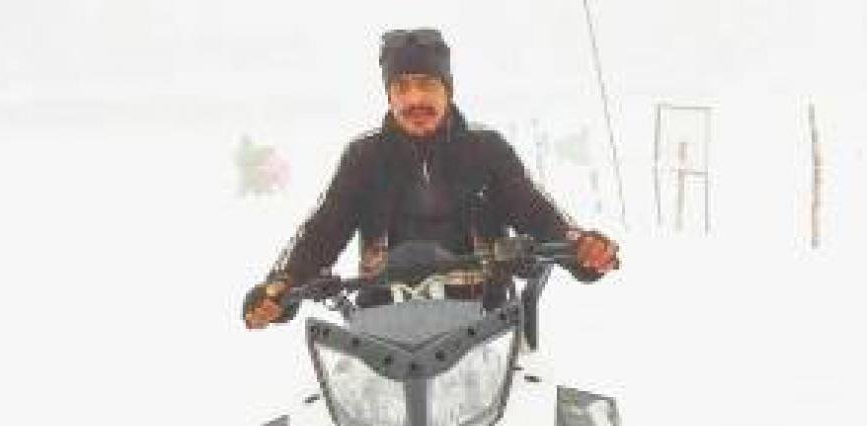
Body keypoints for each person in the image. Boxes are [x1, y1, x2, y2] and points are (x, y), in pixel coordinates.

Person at [243, 28, 618, 329]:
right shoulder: (363, 158)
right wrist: (281, 286)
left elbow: (537, 213)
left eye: (426, 84)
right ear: (389, 96)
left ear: (448, 89)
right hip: (382, 334)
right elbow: (322, 231)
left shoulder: (487, 149)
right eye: (401, 87)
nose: (414, 100)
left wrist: (581, 247)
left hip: (487, 327)